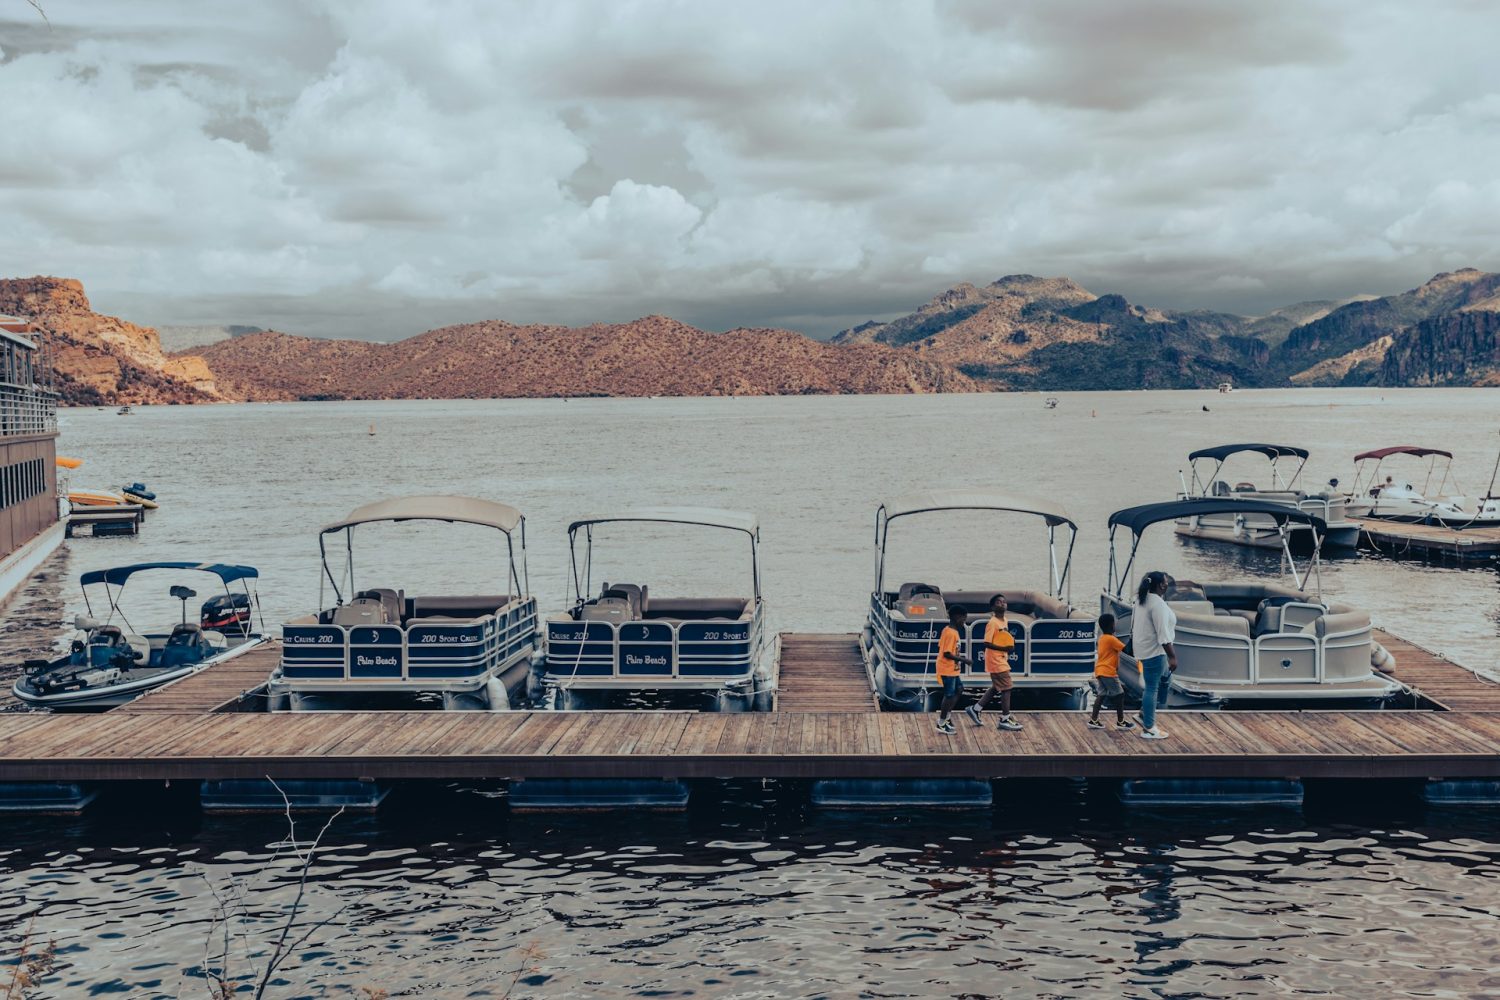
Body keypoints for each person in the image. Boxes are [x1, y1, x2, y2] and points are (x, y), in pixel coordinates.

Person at [964, 593, 1023, 731]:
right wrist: (1005, 648)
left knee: (997, 687)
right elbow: (987, 642)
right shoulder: (993, 623)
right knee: (1007, 687)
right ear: (992, 607)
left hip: (1002, 658)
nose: (1002, 603)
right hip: (995, 659)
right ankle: (1005, 719)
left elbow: (1003, 637)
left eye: (1004, 601)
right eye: (998, 602)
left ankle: (975, 709)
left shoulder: (1005, 620)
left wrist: (1009, 644)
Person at [1132, 571, 1177, 740]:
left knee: (1166, 679)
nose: (1167, 585)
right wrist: (1172, 657)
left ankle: (1144, 714)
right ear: (1160, 585)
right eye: (1166, 583)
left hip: (1144, 649)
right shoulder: (1158, 605)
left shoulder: (1142, 599)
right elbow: (1163, 635)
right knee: (1152, 688)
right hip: (1155, 652)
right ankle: (1149, 728)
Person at [1086, 613, 1132, 731]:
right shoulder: (1112, 639)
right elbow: (1127, 650)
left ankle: (1093, 720)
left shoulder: (1102, 638)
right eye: (1114, 623)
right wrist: (1132, 638)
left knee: (1101, 694)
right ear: (1111, 625)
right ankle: (1120, 722)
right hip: (1108, 672)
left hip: (1100, 670)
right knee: (1120, 694)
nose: (1115, 625)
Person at [933, 605, 971, 734]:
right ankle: (941, 723)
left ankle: (947, 717)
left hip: (953, 669)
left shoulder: (951, 631)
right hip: (946, 669)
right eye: (963, 619)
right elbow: (947, 653)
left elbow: (942, 646)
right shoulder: (950, 633)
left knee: (959, 689)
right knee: (949, 695)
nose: (964, 622)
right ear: (956, 617)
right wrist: (964, 660)